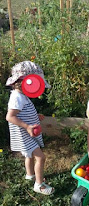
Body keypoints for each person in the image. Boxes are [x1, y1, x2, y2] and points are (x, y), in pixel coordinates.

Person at [6, 61, 54, 195]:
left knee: (29, 156)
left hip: (26, 134)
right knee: (41, 157)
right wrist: (27, 126)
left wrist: (35, 116)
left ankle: (30, 175)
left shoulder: (20, 95)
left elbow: (22, 113)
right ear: (27, 81)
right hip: (24, 134)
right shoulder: (17, 97)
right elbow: (10, 117)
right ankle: (39, 185)